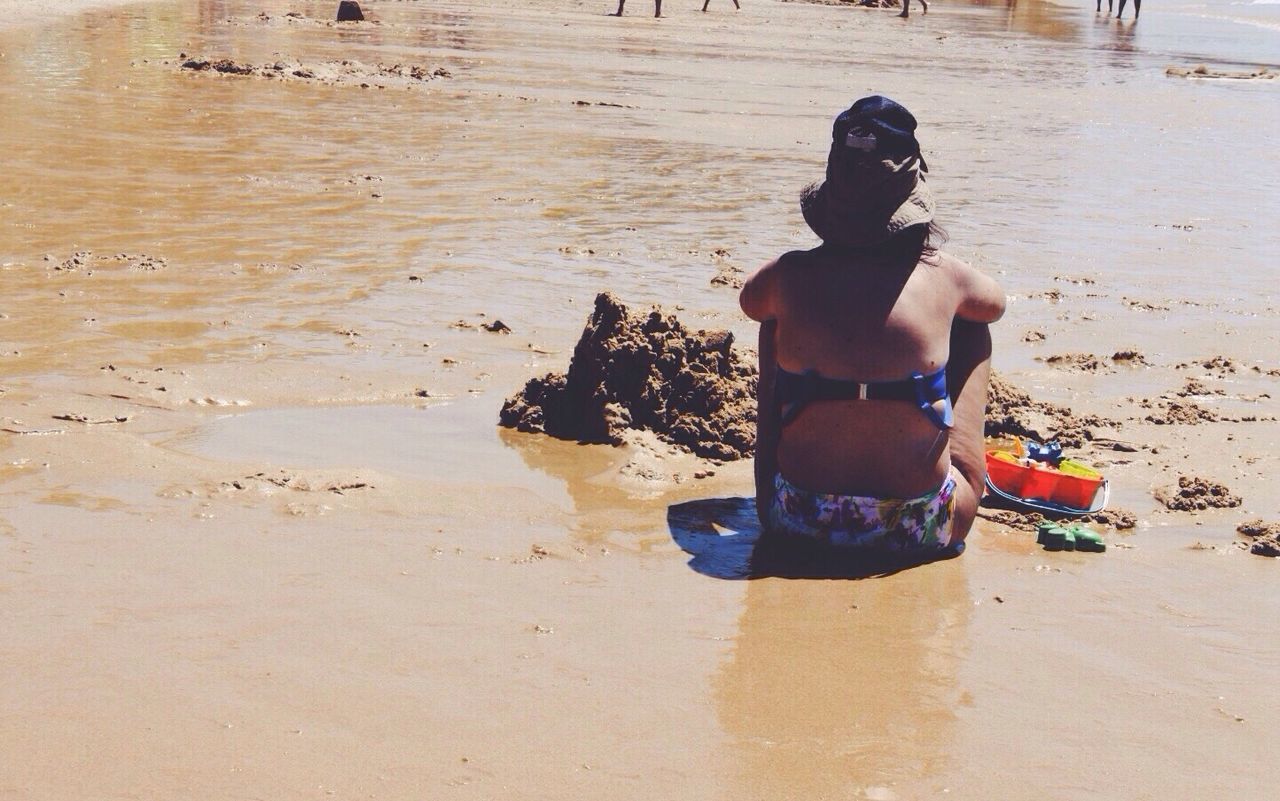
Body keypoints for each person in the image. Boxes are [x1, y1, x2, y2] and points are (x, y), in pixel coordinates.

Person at [739, 96, 1005, 557]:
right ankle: (951, 467)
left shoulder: (789, 274)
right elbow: (995, 304)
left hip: (796, 517)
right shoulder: (943, 276)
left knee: (773, 323)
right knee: (971, 327)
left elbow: (750, 301)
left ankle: (770, 484)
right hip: (919, 526)